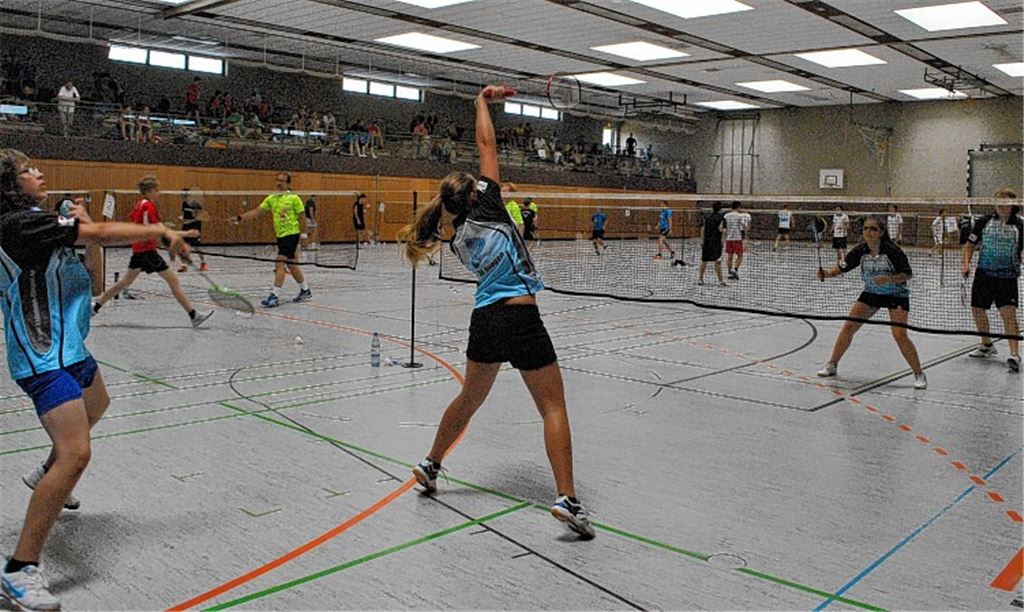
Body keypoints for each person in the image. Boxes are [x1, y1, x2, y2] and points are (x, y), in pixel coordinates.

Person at [0, 150, 196, 611]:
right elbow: (104, 234)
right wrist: (160, 231)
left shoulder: (38, 221)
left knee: (98, 404)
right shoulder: (18, 224)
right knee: (77, 453)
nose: (39, 173)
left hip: (68, 346)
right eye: (28, 171)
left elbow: (90, 257)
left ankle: (45, 474)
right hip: (42, 354)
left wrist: (82, 225)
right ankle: (18, 571)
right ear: (9, 184)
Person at [397, 85, 595, 539]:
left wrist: (482, 105)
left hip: (484, 321)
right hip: (520, 316)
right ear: (475, 195)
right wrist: (482, 101)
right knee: (553, 406)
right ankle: (567, 498)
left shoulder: (455, 234)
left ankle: (430, 464)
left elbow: (484, 150)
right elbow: (487, 144)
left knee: (469, 399)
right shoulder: (488, 205)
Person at [816, 216, 927, 389]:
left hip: (896, 295)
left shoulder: (892, 251)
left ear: (881, 232)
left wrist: (889, 279)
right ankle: (832, 364)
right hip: (871, 293)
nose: (869, 232)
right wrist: (827, 273)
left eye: (873, 229)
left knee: (899, 334)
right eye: (866, 228)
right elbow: (843, 267)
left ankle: (919, 374)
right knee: (848, 327)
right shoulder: (860, 250)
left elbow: (908, 274)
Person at [92, 175, 213, 326]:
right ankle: (193, 315)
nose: (159, 193)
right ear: (149, 191)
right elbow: (159, 231)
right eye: (157, 190)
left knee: (124, 282)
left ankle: (95, 307)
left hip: (139, 250)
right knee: (173, 280)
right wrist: (187, 234)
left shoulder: (139, 205)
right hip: (147, 251)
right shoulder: (148, 207)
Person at [963, 189, 1021, 372]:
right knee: (977, 309)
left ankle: (1014, 354)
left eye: (1006, 203)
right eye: (999, 202)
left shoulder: (1020, 225)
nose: (1002, 206)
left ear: (1013, 205)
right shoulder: (983, 222)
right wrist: (966, 264)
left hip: (1007, 276)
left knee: (1008, 314)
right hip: (984, 275)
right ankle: (987, 344)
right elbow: (969, 245)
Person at [233, 172, 311, 307]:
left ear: (288, 183)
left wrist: (304, 236)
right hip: (280, 235)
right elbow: (256, 212)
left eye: (282, 181)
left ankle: (274, 295)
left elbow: (302, 218)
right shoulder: (272, 198)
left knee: (279, 262)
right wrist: (240, 217)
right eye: (277, 180)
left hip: (292, 234)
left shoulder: (294, 198)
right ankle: (305, 290)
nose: (279, 183)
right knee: (292, 265)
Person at [178, 187, 207, 272]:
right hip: (186, 228)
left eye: (183, 195)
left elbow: (199, 217)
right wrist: (182, 218)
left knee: (197, 247)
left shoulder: (196, 205)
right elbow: (184, 215)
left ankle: (203, 263)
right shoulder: (184, 203)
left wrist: (189, 221)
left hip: (195, 228)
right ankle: (184, 266)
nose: (182, 196)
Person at [698, 202, 727, 287]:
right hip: (716, 242)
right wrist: (722, 242)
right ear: (720, 209)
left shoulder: (707, 218)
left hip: (707, 241)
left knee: (704, 261)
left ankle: (700, 279)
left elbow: (702, 229)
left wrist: (702, 240)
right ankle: (721, 281)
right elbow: (722, 230)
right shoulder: (722, 218)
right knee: (718, 261)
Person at [723, 201, 746, 279]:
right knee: (740, 255)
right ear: (738, 207)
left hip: (729, 238)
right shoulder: (740, 216)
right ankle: (735, 270)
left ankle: (730, 272)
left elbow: (724, 227)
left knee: (730, 256)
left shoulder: (726, 216)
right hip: (737, 238)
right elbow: (743, 226)